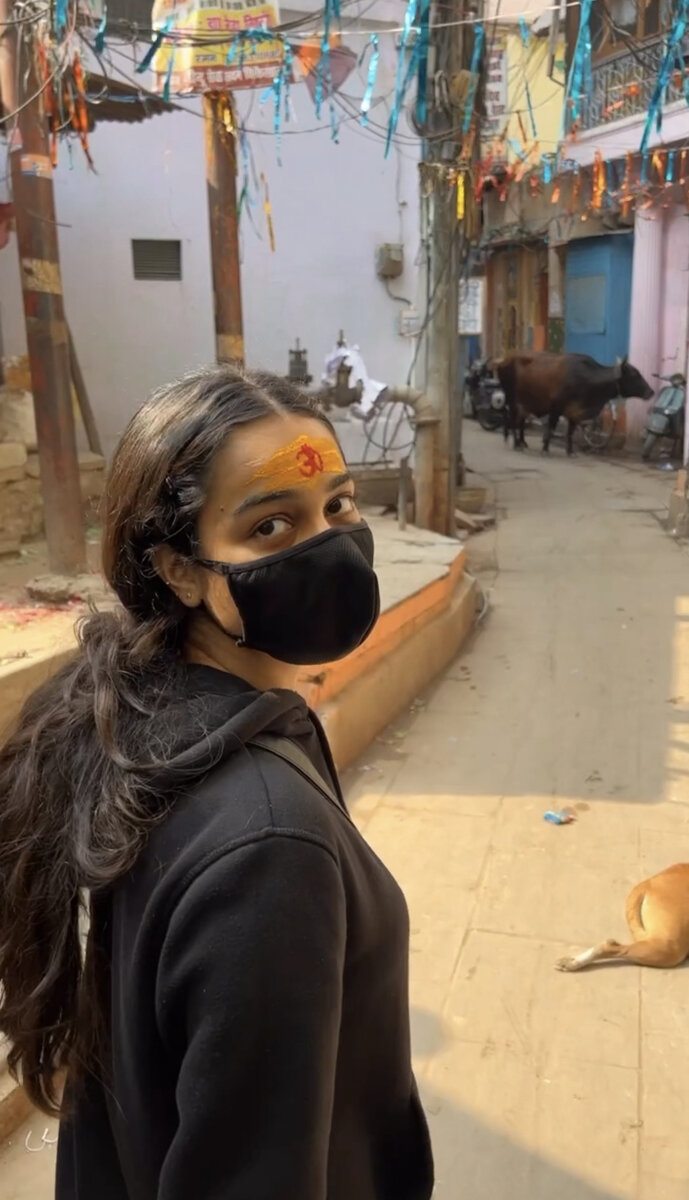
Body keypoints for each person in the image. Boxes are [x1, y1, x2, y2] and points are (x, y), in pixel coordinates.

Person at [0, 366, 434, 1200]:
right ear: (180, 570)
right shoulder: (269, 849)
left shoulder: (134, 720)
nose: (328, 545)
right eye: (271, 525)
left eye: (339, 506)